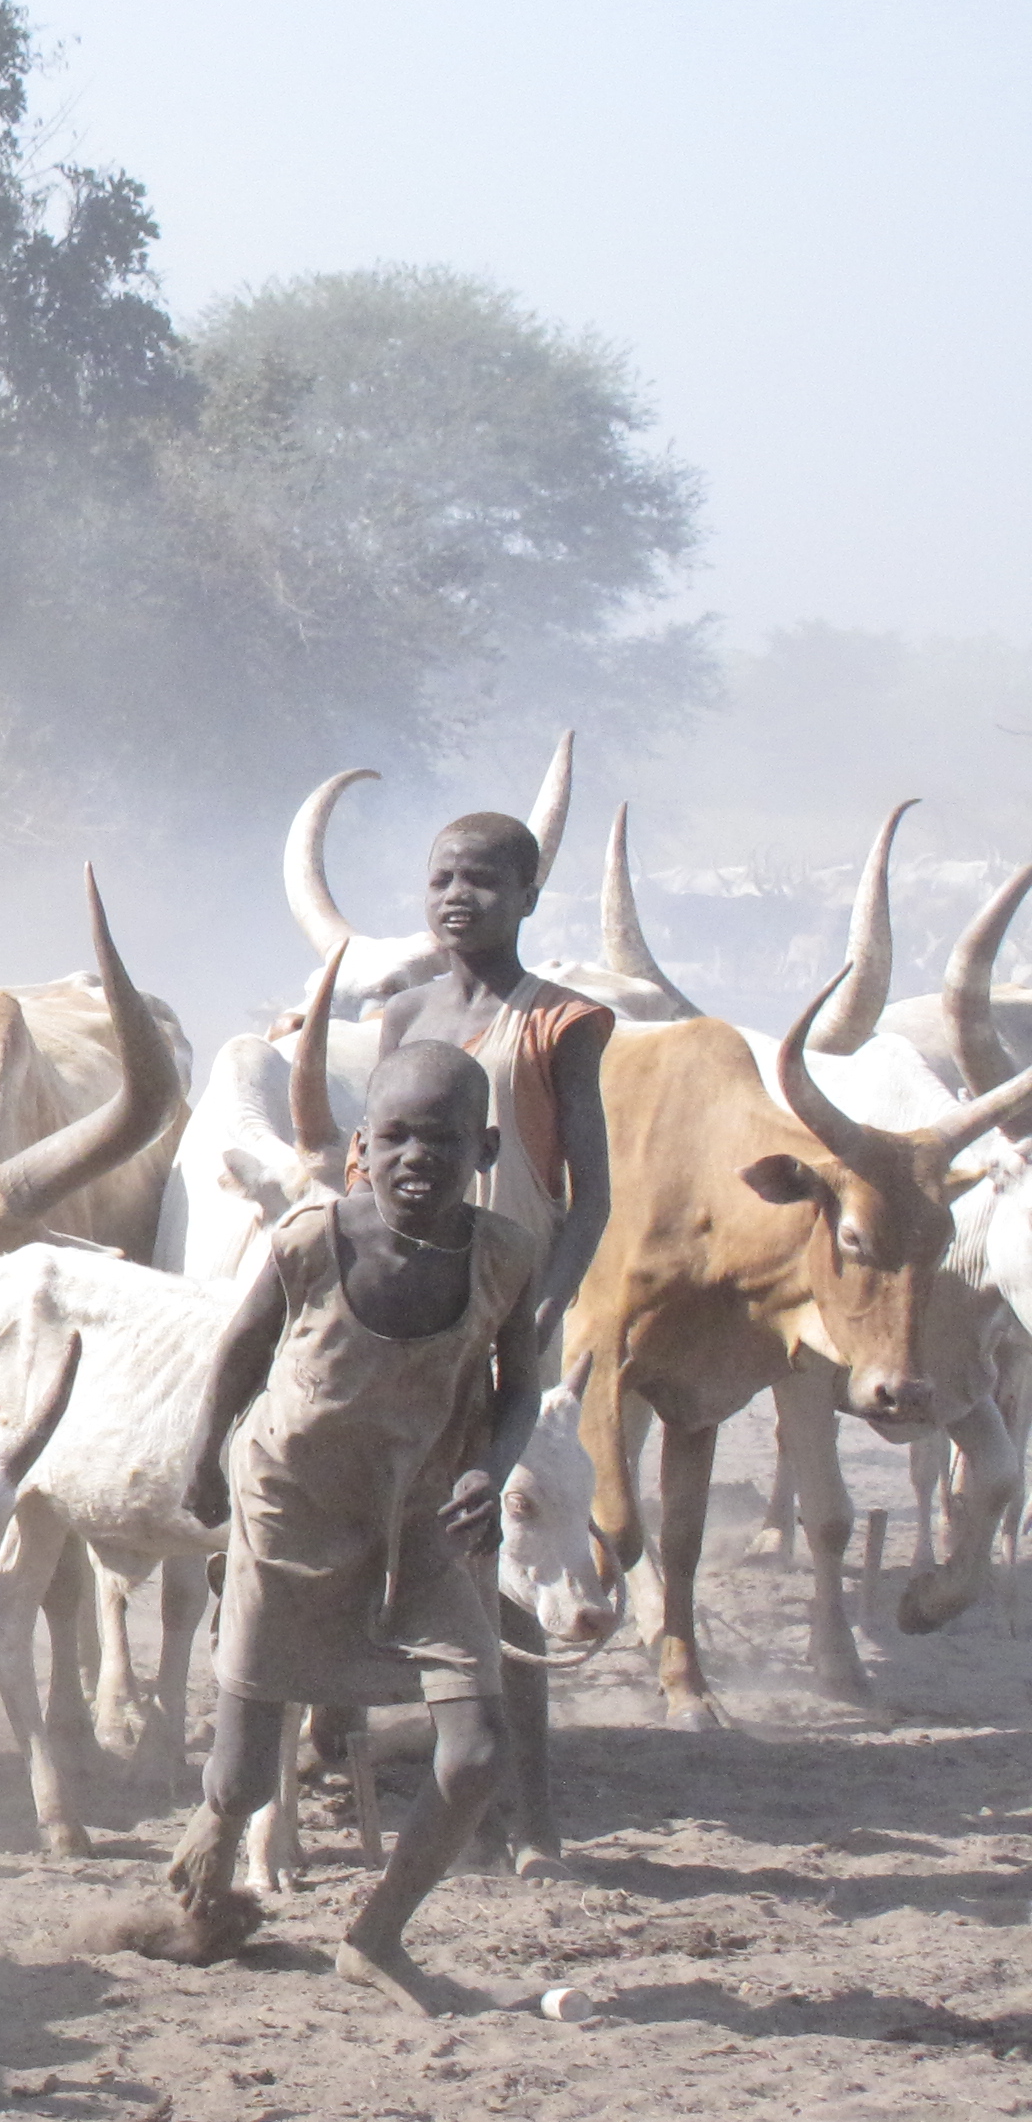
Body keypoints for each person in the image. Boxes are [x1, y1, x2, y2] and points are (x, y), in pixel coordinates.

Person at [153, 1041, 549, 2014]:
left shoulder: (502, 1261)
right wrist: (205, 1459)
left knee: (479, 1754)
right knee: (245, 1778)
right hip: (290, 1512)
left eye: (445, 1140)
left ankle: (375, 1936)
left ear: (484, 1148)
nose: (419, 1158)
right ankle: (209, 1838)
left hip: (418, 1528)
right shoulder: (310, 1241)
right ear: (364, 1145)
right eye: (398, 1136)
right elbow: (239, 1356)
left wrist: (490, 1473)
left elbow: (520, 1388)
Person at [372, 807, 613, 1869]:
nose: (456, 896)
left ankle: (535, 1812)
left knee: (504, 1548)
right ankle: (429, 1789)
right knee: (400, 1530)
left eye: (480, 880)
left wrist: (550, 1302)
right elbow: (363, 1171)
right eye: (440, 879)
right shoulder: (405, 1013)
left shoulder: (561, 1024)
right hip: (410, 1312)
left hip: (516, 1319)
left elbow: (589, 1194)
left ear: (526, 897)